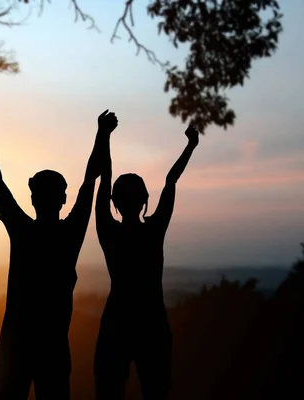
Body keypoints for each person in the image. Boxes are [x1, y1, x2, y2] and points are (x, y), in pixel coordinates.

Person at [0, 110, 118, 400]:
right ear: (63, 199)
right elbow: (89, 180)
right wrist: (102, 133)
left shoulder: (22, 229)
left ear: (33, 198)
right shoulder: (70, 233)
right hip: (52, 345)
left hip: (18, 342)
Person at [94, 123, 200, 400]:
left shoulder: (109, 231)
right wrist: (190, 146)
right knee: (156, 390)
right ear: (145, 201)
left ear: (115, 203)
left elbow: (104, 181)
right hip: (152, 321)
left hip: (117, 320)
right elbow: (170, 181)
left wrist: (103, 136)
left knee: (109, 390)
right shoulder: (153, 230)